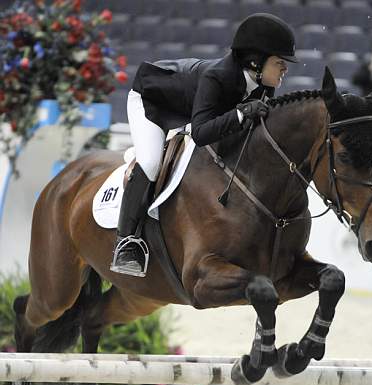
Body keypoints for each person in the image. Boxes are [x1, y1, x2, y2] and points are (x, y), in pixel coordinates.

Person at [110, 12, 298, 277]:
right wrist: (241, 114)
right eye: (280, 62)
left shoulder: (263, 87)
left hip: (190, 109)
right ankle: (126, 242)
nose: (285, 69)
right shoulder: (217, 77)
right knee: (151, 163)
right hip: (151, 103)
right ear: (256, 62)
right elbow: (200, 134)